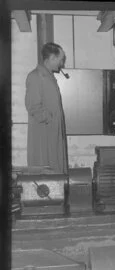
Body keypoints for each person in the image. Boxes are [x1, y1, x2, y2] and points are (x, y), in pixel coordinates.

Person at [25, 42, 68, 174]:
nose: (62, 64)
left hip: (53, 131)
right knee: (46, 170)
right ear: (52, 58)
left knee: (55, 167)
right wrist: (50, 119)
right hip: (44, 133)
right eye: (61, 60)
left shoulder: (49, 76)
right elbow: (33, 106)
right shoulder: (35, 76)